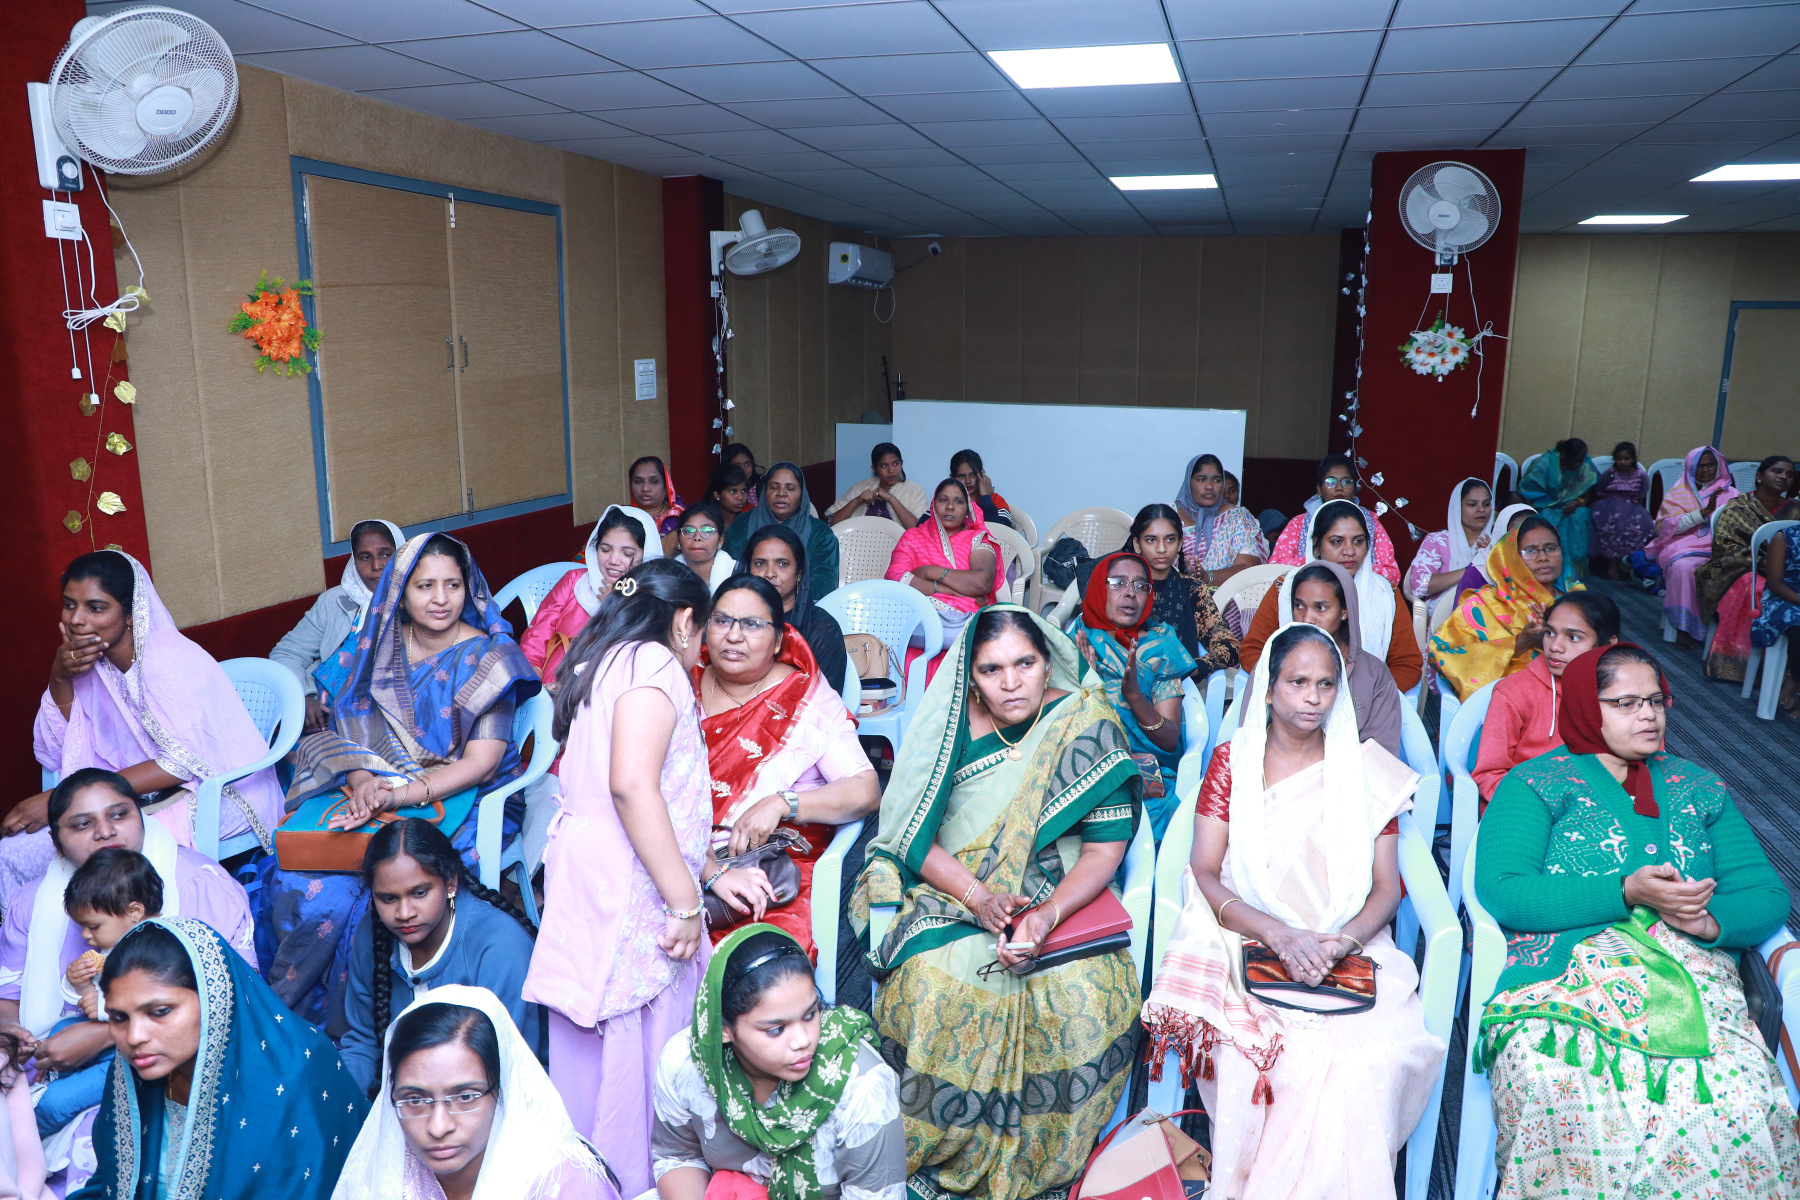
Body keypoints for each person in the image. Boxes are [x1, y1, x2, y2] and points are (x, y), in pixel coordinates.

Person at [1473, 643, 1797, 1196]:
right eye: (1625, 702)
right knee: (1557, 1079)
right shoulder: (1535, 785)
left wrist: (1708, 923)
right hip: (1570, 972)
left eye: (1655, 701)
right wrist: (1623, 891)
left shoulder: (1699, 787)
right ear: (1583, 706)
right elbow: (1505, 891)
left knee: (1734, 1098)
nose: (1648, 715)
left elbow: (1765, 893)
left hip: (1694, 977)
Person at [851, 606, 1141, 1200]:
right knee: (932, 988)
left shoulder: (1084, 721)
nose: (1011, 682)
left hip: (1055, 892)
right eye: (992, 669)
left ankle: (1043, 1166)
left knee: (1083, 998)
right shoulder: (950, 722)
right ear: (971, 676)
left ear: (1047, 661)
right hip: (950, 892)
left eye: (1024, 664)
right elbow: (909, 836)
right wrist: (979, 896)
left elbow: (1103, 850)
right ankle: (941, 1150)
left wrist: (1044, 915)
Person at [1142, 623, 1443, 1195]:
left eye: (1326, 684)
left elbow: (1385, 889)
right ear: (1269, 686)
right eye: (1298, 682)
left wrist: (1341, 943)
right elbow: (1204, 872)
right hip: (1249, 933)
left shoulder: (1365, 770)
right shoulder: (1232, 762)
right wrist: (1279, 934)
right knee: (1262, 1054)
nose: (1312, 697)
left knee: (1371, 1058)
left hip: (1348, 943)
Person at [524, 560, 740, 1197]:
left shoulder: (603, 656)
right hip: (630, 874)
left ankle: (584, 1173)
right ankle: (636, 1178)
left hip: (591, 863)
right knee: (637, 1036)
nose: (702, 646)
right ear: (682, 618)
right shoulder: (653, 667)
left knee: (591, 1032)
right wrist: (683, 901)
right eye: (702, 629)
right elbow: (632, 786)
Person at [263, 534, 539, 1030]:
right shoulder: (373, 648)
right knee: (297, 879)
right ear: (399, 593)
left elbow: (479, 763)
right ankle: (298, 1026)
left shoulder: (491, 659)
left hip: (464, 800)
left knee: (380, 888)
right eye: (425, 586)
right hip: (378, 791)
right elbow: (346, 724)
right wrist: (364, 777)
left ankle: (369, 1029)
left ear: (469, 587)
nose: (440, 598)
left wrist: (397, 794)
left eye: (452, 584)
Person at [6, 550, 285, 907]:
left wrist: (64, 799)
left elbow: (182, 763)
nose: (76, 620)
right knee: (13, 853)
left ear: (129, 613)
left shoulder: (169, 661)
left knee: (71, 851)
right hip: (137, 792)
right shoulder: (96, 666)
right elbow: (57, 749)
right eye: (69, 605)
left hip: (216, 790)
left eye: (95, 607)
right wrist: (60, 676)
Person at [0, 769, 257, 1153]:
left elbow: (237, 996)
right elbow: (9, 995)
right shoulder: (32, 902)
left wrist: (102, 1035)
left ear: (141, 817)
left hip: (173, 1062)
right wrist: (11, 1035)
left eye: (119, 815)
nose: (105, 832)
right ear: (55, 840)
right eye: (82, 824)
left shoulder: (198, 884)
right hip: (48, 1063)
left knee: (95, 1140)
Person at [69, 919, 365, 1200]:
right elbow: (110, 1184)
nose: (134, 1037)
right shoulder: (132, 1075)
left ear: (216, 998)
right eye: (119, 1017)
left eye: (159, 1012)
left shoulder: (295, 1076)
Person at [694, 576, 878, 957]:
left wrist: (783, 803)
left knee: (756, 966)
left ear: (778, 640)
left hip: (767, 862)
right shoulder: (681, 680)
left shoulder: (802, 698)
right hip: (677, 855)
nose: (733, 635)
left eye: (752, 624)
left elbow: (864, 789)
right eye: (722, 620)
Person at [652, 925, 904, 1200]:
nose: (802, 1041)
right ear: (723, 1028)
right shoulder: (687, 1062)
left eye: (810, 1014)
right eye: (775, 1030)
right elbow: (677, 1156)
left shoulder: (862, 1089)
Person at [334, 986, 619, 1200]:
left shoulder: (562, 1185)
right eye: (415, 1100)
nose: (438, 1127)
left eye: (465, 1097)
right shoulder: (387, 1175)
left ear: (504, 1090)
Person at [339, 818, 542, 1096]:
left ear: (450, 882)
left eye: (419, 893)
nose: (404, 913)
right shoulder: (371, 933)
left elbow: (507, 1067)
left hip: (493, 1101)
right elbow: (363, 1043)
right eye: (388, 899)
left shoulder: (500, 946)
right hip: (410, 1103)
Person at [34, 846, 161, 1141]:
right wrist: (78, 984)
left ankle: (27, 1135)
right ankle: (61, 1079)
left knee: (55, 1103)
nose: (85, 936)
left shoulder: (155, 945)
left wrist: (101, 1005)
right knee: (62, 1027)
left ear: (134, 912)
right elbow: (93, 996)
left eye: (93, 926)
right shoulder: (117, 943)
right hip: (111, 1037)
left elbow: (148, 1002)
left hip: (133, 1054)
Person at [1072, 553, 1195, 837]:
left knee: (1152, 810)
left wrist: (1135, 697)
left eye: (1141, 585)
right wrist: (1086, 687)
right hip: (1082, 763)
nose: (1130, 592)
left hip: (1143, 766)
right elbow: (1053, 724)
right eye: (1118, 583)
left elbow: (1169, 738)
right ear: (1099, 588)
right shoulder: (1077, 640)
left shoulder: (1161, 646)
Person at [1242, 500, 1422, 692]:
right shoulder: (1286, 587)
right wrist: (1285, 685)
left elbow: (1407, 664)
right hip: (1293, 699)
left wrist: (1369, 696)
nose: (1350, 551)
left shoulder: (1386, 594)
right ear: (1316, 546)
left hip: (1363, 705)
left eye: (1358, 541)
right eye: (1337, 541)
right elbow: (1252, 650)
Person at [1471, 592, 1620, 804]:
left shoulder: (1625, 695)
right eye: (1550, 633)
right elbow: (1489, 775)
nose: (1555, 646)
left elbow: (1647, 764)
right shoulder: (1514, 692)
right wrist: (1544, 810)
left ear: (1608, 645)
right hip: (1525, 809)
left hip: (1602, 808)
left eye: (1573, 637)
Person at [273, 519, 404, 733]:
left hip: (379, 721)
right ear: (354, 561)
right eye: (365, 557)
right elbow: (286, 653)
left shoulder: (418, 604)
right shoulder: (334, 601)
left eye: (385, 554)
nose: (376, 566)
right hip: (318, 715)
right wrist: (303, 697)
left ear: (401, 555)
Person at [1076, 504, 1237, 678]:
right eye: (1151, 540)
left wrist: (1190, 668)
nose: (1161, 549)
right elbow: (1094, 632)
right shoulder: (1116, 586)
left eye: (1170, 539)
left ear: (1180, 543)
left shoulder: (1192, 590)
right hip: (1113, 678)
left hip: (1177, 687)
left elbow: (1229, 645)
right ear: (1137, 544)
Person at [1430, 517, 1582, 701]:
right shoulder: (1484, 604)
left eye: (1551, 548)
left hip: (1571, 700)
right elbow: (1445, 653)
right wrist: (1520, 642)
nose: (1543, 557)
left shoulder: (1578, 601)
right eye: (1531, 551)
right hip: (1503, 705)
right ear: (1512, 557)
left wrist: (1554, 636)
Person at [522, 505, 663, 688]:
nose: (613, 560)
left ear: (646, 554)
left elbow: (640, 659)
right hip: (547, 688)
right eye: (605, 550)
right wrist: (533, 672)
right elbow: (538, 633)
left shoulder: (654, 599)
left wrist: (615, 610)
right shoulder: (574, 582)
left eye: (627, 553)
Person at [1281, 560, 1403, 756]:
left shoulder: (1374, 675)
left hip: (1355, 782)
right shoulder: (1273, 664)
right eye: (1299, 606)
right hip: (1282, 779)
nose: (1306, 618)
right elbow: (1254, 736)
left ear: (1344, 611)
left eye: (1320, 608)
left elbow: (1382, 756)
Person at [1702, 456, 1796, 682]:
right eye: (1777, 471)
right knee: (1754, 587)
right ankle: (1744, 667)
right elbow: (1724, 547)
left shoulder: (1795, 509)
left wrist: (1778, 564)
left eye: (1789, 474)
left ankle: (1786, 670)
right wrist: (1759, 561)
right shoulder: (1738, 508)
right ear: (1759, 476)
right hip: (1740, 570)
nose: (1783, 477)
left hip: (1786, 572)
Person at [885, 479, 1001, 645]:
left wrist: (928, 572)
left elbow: (982, 582)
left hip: (965, 622)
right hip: (919, 619)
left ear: (968, 511)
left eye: (958, 501)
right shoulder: (913, 537)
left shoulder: (978, 539)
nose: (950, 507)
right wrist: (952, 590)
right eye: (943, 500)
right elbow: (895, 579)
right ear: (933, 505)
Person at [743, 527, 851, 701]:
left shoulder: (821, 629)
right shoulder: (733, 622)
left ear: (799, 573)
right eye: (760, 563)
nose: (769, 573)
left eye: (782, 564)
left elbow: (822, 706)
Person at [1646, 446, 1737, 644]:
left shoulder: (1731, 493)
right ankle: (1683, 627)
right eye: (1700, 466)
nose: (1705, 470)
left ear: (1719, 466)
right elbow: (1665, 527)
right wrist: (1703, 513)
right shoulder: (1679, 492)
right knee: (1683, 567)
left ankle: (1722, 631)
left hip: (1719, 549)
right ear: (1690, 468)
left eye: (1710, 465)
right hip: (1682, 546)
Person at [1271, 455, 1401, 586]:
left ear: (1355, 489)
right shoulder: (1298, 524)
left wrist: (1359, 567)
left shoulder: (1371, 523)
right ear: (1319, 489)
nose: (1339, 487)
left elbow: (1393, 575)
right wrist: (1322, 563)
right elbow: (1275, 569)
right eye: (1330, 482)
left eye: (1346, 482)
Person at [723, 462, 841, 604]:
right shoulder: (743, 523)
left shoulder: (820, 533)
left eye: (790, 489)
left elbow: (825, 583)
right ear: (764, 491)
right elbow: (727, 568)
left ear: (802, 495)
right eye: (774, 487)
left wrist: (787, 593)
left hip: (800, 608)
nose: (781, 493)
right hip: (746, 604)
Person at [1175, 454, 1268, 588]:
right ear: (1188, 482)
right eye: (1201, 479)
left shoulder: (1237, 517)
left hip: (1226, 602)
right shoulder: (1168, 516)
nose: (1209, 486)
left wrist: (1207, 577)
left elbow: (1248, 568)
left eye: (1217, 480)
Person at [1518, 438, 1599, 580]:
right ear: (1564, 455)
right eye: (1576, 460)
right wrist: (1551, 504)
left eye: (1582, 459)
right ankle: (1547, 566)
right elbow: (1526, 493)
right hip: (1544, 505)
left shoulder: (1584, 464)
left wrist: (1578, 502)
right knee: (1549, 517)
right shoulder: (1544, 464)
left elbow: (1588, 495)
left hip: (1572, 507)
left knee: (1580, 514)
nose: (1581, 463)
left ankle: (1573, 572)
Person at [1405, 478, 1495, 604]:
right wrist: (1471, 569)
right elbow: (1419, 585)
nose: (1481, 509)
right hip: (1443, 618)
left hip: (1488, 615)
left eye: (1486, 504)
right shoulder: (1438, 542)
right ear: (1457, 507)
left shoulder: (1497, 543)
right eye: (1472, 504)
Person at [1750, 516, 1800, 717]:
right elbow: (1775, 583)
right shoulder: (1784, 537)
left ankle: (1791, 679)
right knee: (1798, 628)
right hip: (1785, 597)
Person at [1589, 442, 1655, 579]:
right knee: (1614, 524)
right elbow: (1601, 490)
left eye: (1626, 459)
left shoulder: (1641, 475)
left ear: (1633, 459)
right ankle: (1611, 565)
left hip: (1632, 507)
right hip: (1609, 506)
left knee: (1637, 524)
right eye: (1619, 459)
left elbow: (1641, 496)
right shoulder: (1611, 474)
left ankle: (1626, 562)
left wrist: (1639, 512)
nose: (1622, 462)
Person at [827, 442, 926, 529]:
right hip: (860, 546)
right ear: (874, 468)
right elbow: (831, 523)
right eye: (884, 466)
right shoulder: (860, 488)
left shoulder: (914, 490)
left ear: (902, 463)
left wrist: (891, 498)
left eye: (896, 464)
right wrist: (857, 501)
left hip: (901, 548)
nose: (891, 470)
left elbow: (919, 529)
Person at [673, 503, 737, 590]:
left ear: (720, 540)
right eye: (688, 531)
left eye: (707, 531)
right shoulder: (666, 575)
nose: (697, 537)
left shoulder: (738, 572)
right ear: (678, 540)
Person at [630, 455, 687, 551]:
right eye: (638, 481)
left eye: (654, 481)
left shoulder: (681, 520)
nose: (645, 488)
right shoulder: (622, 516)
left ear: (666, 487)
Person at [948, 450, 1014, 529]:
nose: (968, 481)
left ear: (982, 474)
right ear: (952, 478)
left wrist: (985, 498)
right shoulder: (945, 501)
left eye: (973, 475)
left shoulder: (995, 500)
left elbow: (1003, 531)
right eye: (962, 476)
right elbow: (930, 527)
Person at [706, 462, 754, 539]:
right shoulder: (705, 520)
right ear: (717, 494)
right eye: (733, 491)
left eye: (743, 491)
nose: (740, 497)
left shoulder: (752, 517)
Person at [724, 443, 763, 508]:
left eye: (747, 464)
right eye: (737, 465)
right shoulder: (722, 489)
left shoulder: (761, 486)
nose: (743, 469)